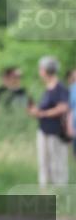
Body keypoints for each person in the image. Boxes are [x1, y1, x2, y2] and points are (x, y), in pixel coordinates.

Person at [28, 56, 71, 189]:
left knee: (57, 162)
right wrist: (35, 111)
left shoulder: (60, 88)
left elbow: (63, 107)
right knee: (44, 162)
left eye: (41, 68)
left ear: (45, 70)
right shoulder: (47, 88)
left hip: (56, 131)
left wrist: (43, 113)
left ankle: (59, 191)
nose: (39, 71)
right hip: (44, 129)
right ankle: (45, 190)